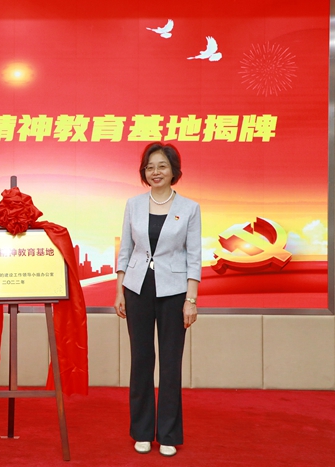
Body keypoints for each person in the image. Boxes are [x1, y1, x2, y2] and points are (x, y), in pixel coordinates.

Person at [114, 142, 201, 457]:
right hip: (137, 289)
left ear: (173, 170)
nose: (155, 172)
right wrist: (119, 290)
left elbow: (194, 255)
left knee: (170, 363)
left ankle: (167, 434)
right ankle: (141, 431)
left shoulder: (189, 208)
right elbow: (125, 251)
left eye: (162, 166)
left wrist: (191, 299)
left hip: (174, 291)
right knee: (140, 360)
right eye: (150, 167)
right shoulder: (133, 204)